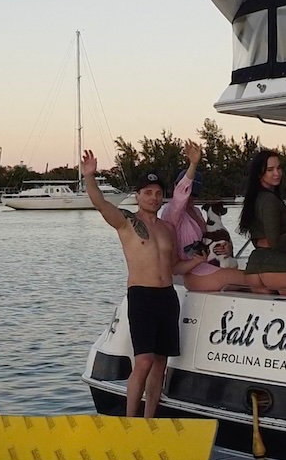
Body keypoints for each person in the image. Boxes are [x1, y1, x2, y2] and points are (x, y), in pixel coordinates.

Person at [82, 150, 205, 418]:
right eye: (147, 192)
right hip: (142, 297)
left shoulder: (167, 228)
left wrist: (196, 262)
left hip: (167, 297)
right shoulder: (127, 222)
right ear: (137, 196)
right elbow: (100, 203)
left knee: (160, 363)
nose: (153, 197)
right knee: (144, 361)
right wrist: (89, 176)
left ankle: (149, 421)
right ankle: (131, 422)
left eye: (158, 193)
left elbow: (173, 266)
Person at [159, 139, 245, 292]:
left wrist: (226, 248)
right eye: (188, 192)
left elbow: (208, 241)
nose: (189, 197)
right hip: (194, 273)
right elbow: (180, 196)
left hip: (208, 265)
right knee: (251, 280)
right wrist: (193, 164)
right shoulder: (171, 211)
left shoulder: (197, 212)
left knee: (254, 280)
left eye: (194, 194)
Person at [238, 149, 286, 295]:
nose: (277, 173)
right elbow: (275, 241)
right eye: (270, 170)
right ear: (260, 173)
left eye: (279, 168)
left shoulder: (254, 199)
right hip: (277, 266)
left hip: (254, 269)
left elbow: (259, 239)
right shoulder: (269, 200)